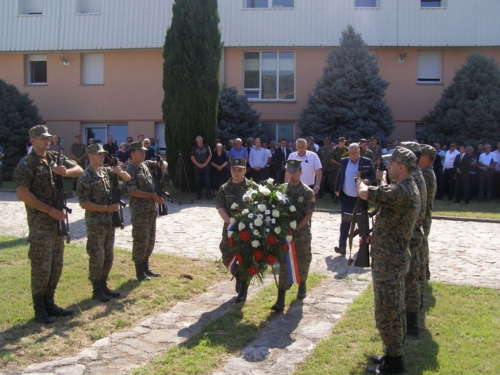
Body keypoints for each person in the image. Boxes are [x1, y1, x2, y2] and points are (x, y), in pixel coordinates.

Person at [356, 147, 420, 375]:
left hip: (390, 261)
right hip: (390, 257)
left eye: (390, 164)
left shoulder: (401, 190)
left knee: (388, 311)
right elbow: (391, 217)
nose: (386, 167)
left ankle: (395, 363)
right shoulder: (403, 188)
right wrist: (376, 233)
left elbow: (366, 193)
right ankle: (391, 353)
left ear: (401, 167)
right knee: (393, 308)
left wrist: (360, 183)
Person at [13, 125, 84, 324]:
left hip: (57, 222)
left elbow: (79, 169)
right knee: (41, 266)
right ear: (33, 140)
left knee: (56, 265)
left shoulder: (54, 158)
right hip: (41, 222)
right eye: (42, 139)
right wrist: (48, 210)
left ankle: (50, 303)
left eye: (48, 138)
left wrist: (66, 172)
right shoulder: (27, 163)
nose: (47, 141)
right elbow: (22, 193)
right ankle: (39, 308)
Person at [77, 143, 131, 302]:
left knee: (108, 255)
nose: (102, 157)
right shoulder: (85, 177)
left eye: (103, 154)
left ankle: (104, 284)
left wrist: (120, 172)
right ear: (90, 156)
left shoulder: (106, 172)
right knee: (97, 256)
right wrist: (107, 209)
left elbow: (128, 178)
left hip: (108, 222)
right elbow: (84, 203)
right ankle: (96, 289)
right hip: (95, 224)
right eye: (99, 154)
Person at [271, 160, 316, 312]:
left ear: (300, 172)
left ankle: (302, 284)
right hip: (284, 235)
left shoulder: (307, 192)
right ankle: (280, 299)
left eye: (294, 171)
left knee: (303, 262)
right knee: (284, 265)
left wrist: (297, 227)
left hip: (301, 234)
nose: (291, 174)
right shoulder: (281, 190)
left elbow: (309, 214)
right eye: (289, 171)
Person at [215, 158, 259, 302]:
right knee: (226, 255)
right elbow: (220, 207)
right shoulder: (224, 188)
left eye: (240, 170)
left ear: (245, 170)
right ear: (230, 171)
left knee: (246, 257)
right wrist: (230, 222)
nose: (237, 173)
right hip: (230, 227)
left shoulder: (252, 187)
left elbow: (260, 206)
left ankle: (243, 290)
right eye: (234, 170)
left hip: (248, 229)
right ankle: (238, 274)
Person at [126, 141, 167, 281]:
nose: (144, 154)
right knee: (140, 241)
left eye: (144, 152)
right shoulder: (130, 170)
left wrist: (161, 163)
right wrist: (152, 196)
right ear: (133, 154)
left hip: (150, 209)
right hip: (139, 211)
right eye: (141, 152)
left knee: (150, 240)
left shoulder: (145, 165)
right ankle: (139, 271)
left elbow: (162, 165)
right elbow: (133, 192)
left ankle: (146, 267)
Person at [400, 142, 426, 338]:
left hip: (410, 235)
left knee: (410, 281)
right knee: (412, 280)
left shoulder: (413, 178)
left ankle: (412, 325)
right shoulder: (417, 175)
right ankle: (410, 321)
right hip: (413, 233)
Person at [333, 143, 375, 255]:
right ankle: (342, 246)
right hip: (346, 197)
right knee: (345, 222)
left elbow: (373, 175)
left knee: (362, 223)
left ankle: (364, 246)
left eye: (355, 153)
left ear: (359, 152)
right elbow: (340, 175)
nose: (353, 155)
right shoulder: (344, 161)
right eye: (351, 153)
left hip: (360, 198)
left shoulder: (365, 161)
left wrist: (367, 181)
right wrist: (337, 188)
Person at [419, 144, 437, 281]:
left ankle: (423, 272)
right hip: (425, 214)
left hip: (423, 215)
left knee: (421, 245)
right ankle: (424, 272)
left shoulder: (425, 174)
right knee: (422, 244)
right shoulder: (427, 172)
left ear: (425, 158)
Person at [190, 135, 212, 200]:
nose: (199, 142)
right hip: (197, 167)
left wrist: (205, 164)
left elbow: (209, 156)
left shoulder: (206, 147)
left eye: (200, 141)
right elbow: (192, 157)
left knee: (207, 181)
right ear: (196, 141)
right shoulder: (194, 148)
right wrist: (198, 164)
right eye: (198, 141)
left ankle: (208, 195)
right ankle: (198, 195)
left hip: (206, 167)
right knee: (197, 181)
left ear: (202, 141)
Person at [329, 137, 348, 203]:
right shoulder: (335, 149)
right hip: (336, 168)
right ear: (339, 142)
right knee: (336, 182)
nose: (342, 143)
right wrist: (339, 164)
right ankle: (336, 197)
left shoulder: (347, 149)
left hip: (345, 169)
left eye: (343, 142)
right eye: (341, 142)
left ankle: (342, 197)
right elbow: (331, 159)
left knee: (344, 182)